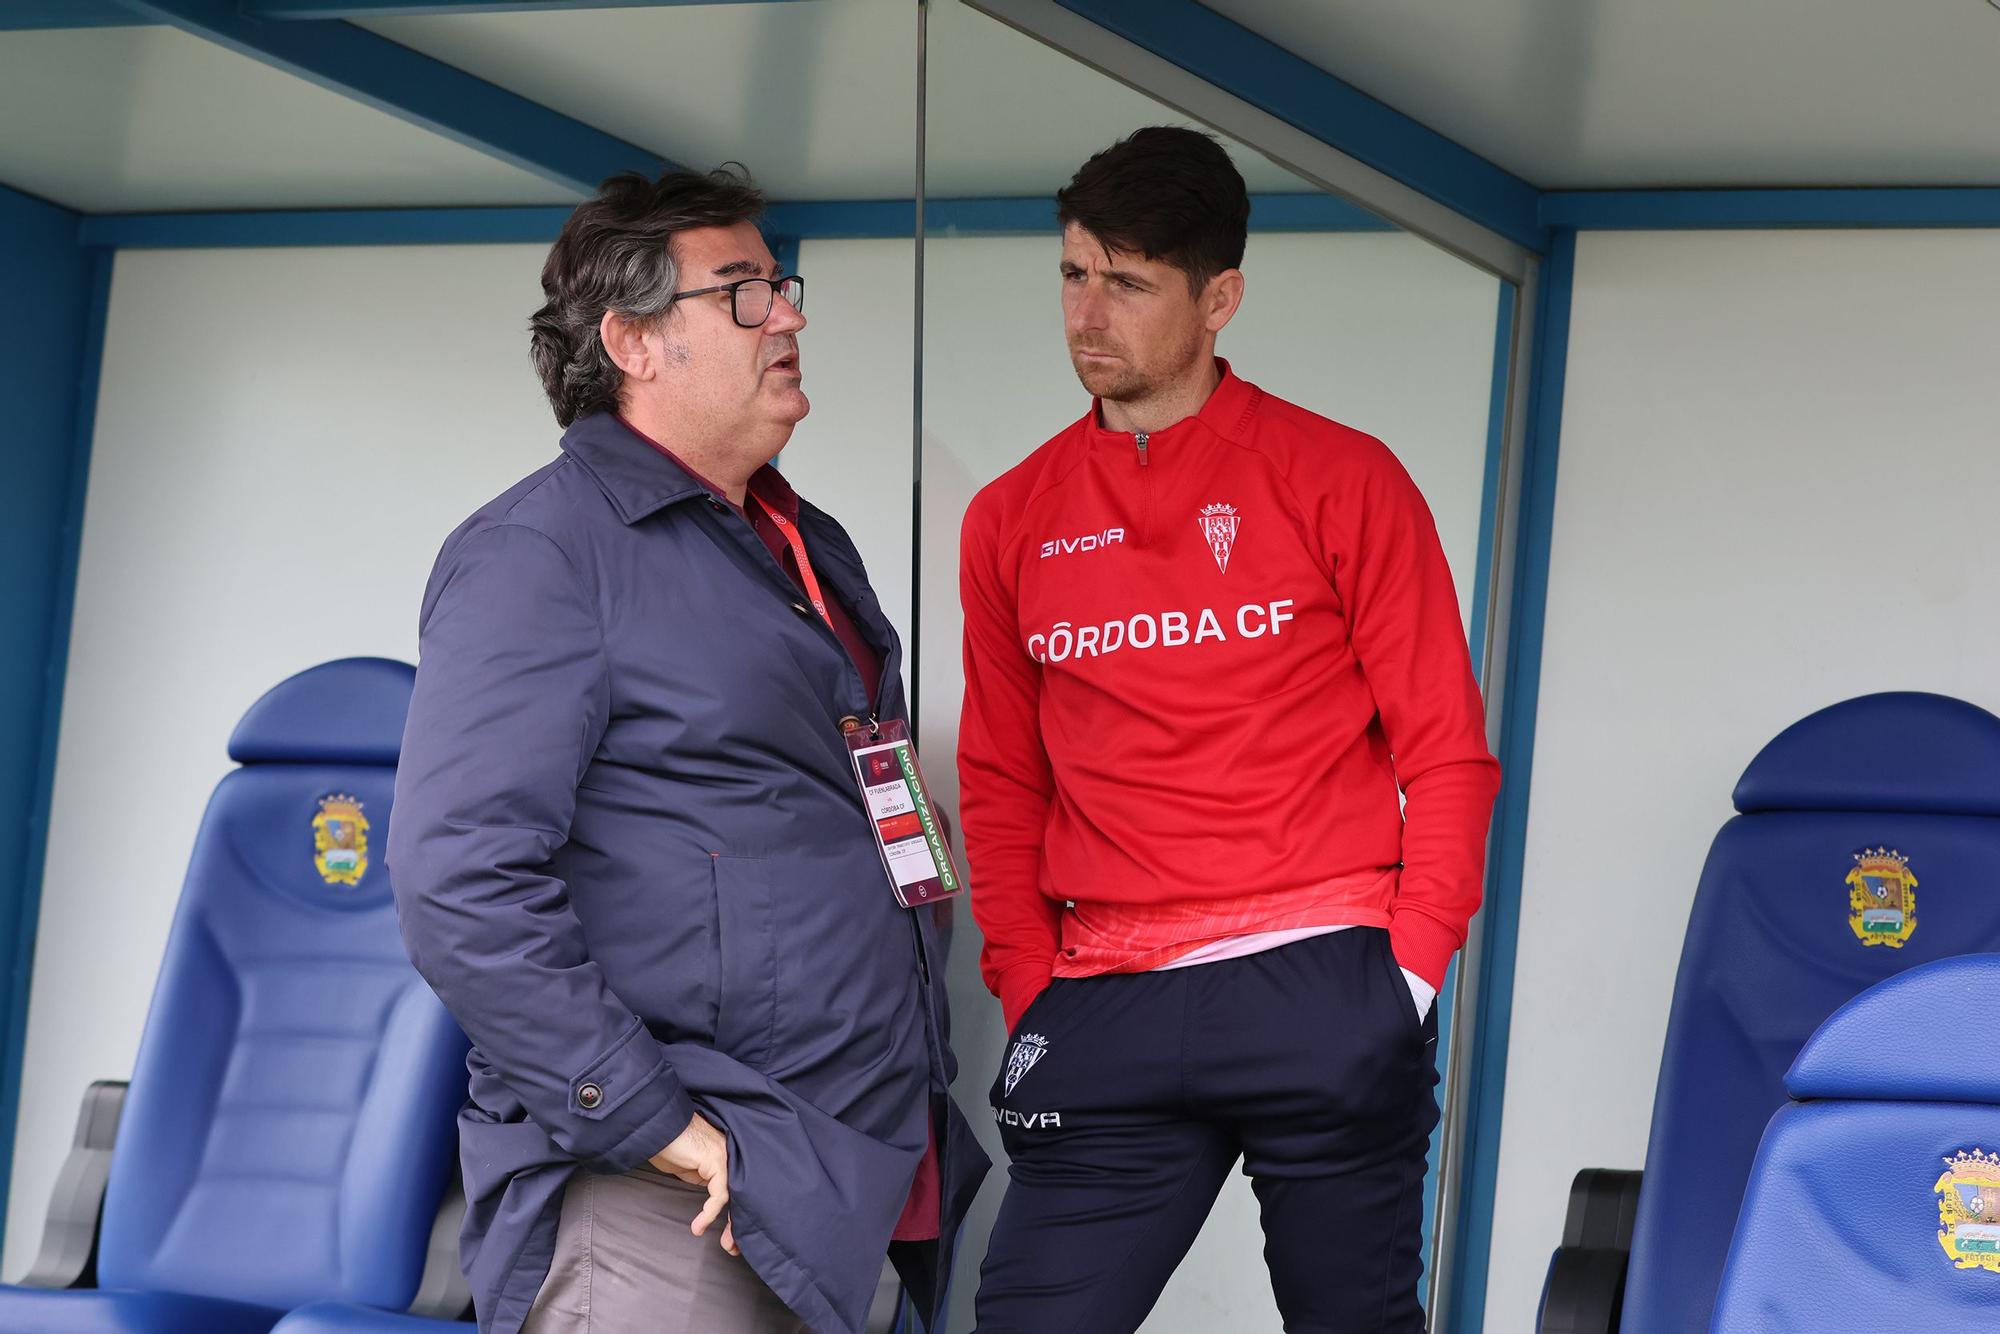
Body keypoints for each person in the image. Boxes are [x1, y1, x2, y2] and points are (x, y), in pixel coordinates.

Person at [389, 167, 986, 1334]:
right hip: (663, 1195)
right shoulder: (543, 553)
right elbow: (458, 881)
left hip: (831, 1174)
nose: (791, 316)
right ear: (631, 342)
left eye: (783, 285)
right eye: (744, 293)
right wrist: (652, 1117)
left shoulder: (799, 541)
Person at [957, 126, 1501, 1332]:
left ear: (1219, 299)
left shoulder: (1341, 476)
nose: (1086, 315)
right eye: (1071, 274)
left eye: (1128, 283)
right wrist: (1026, 986)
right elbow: (1000, 781)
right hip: (1101, 992)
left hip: (1322, 973)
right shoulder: (1008, 517)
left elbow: (1446, 752)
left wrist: (1405, 976)